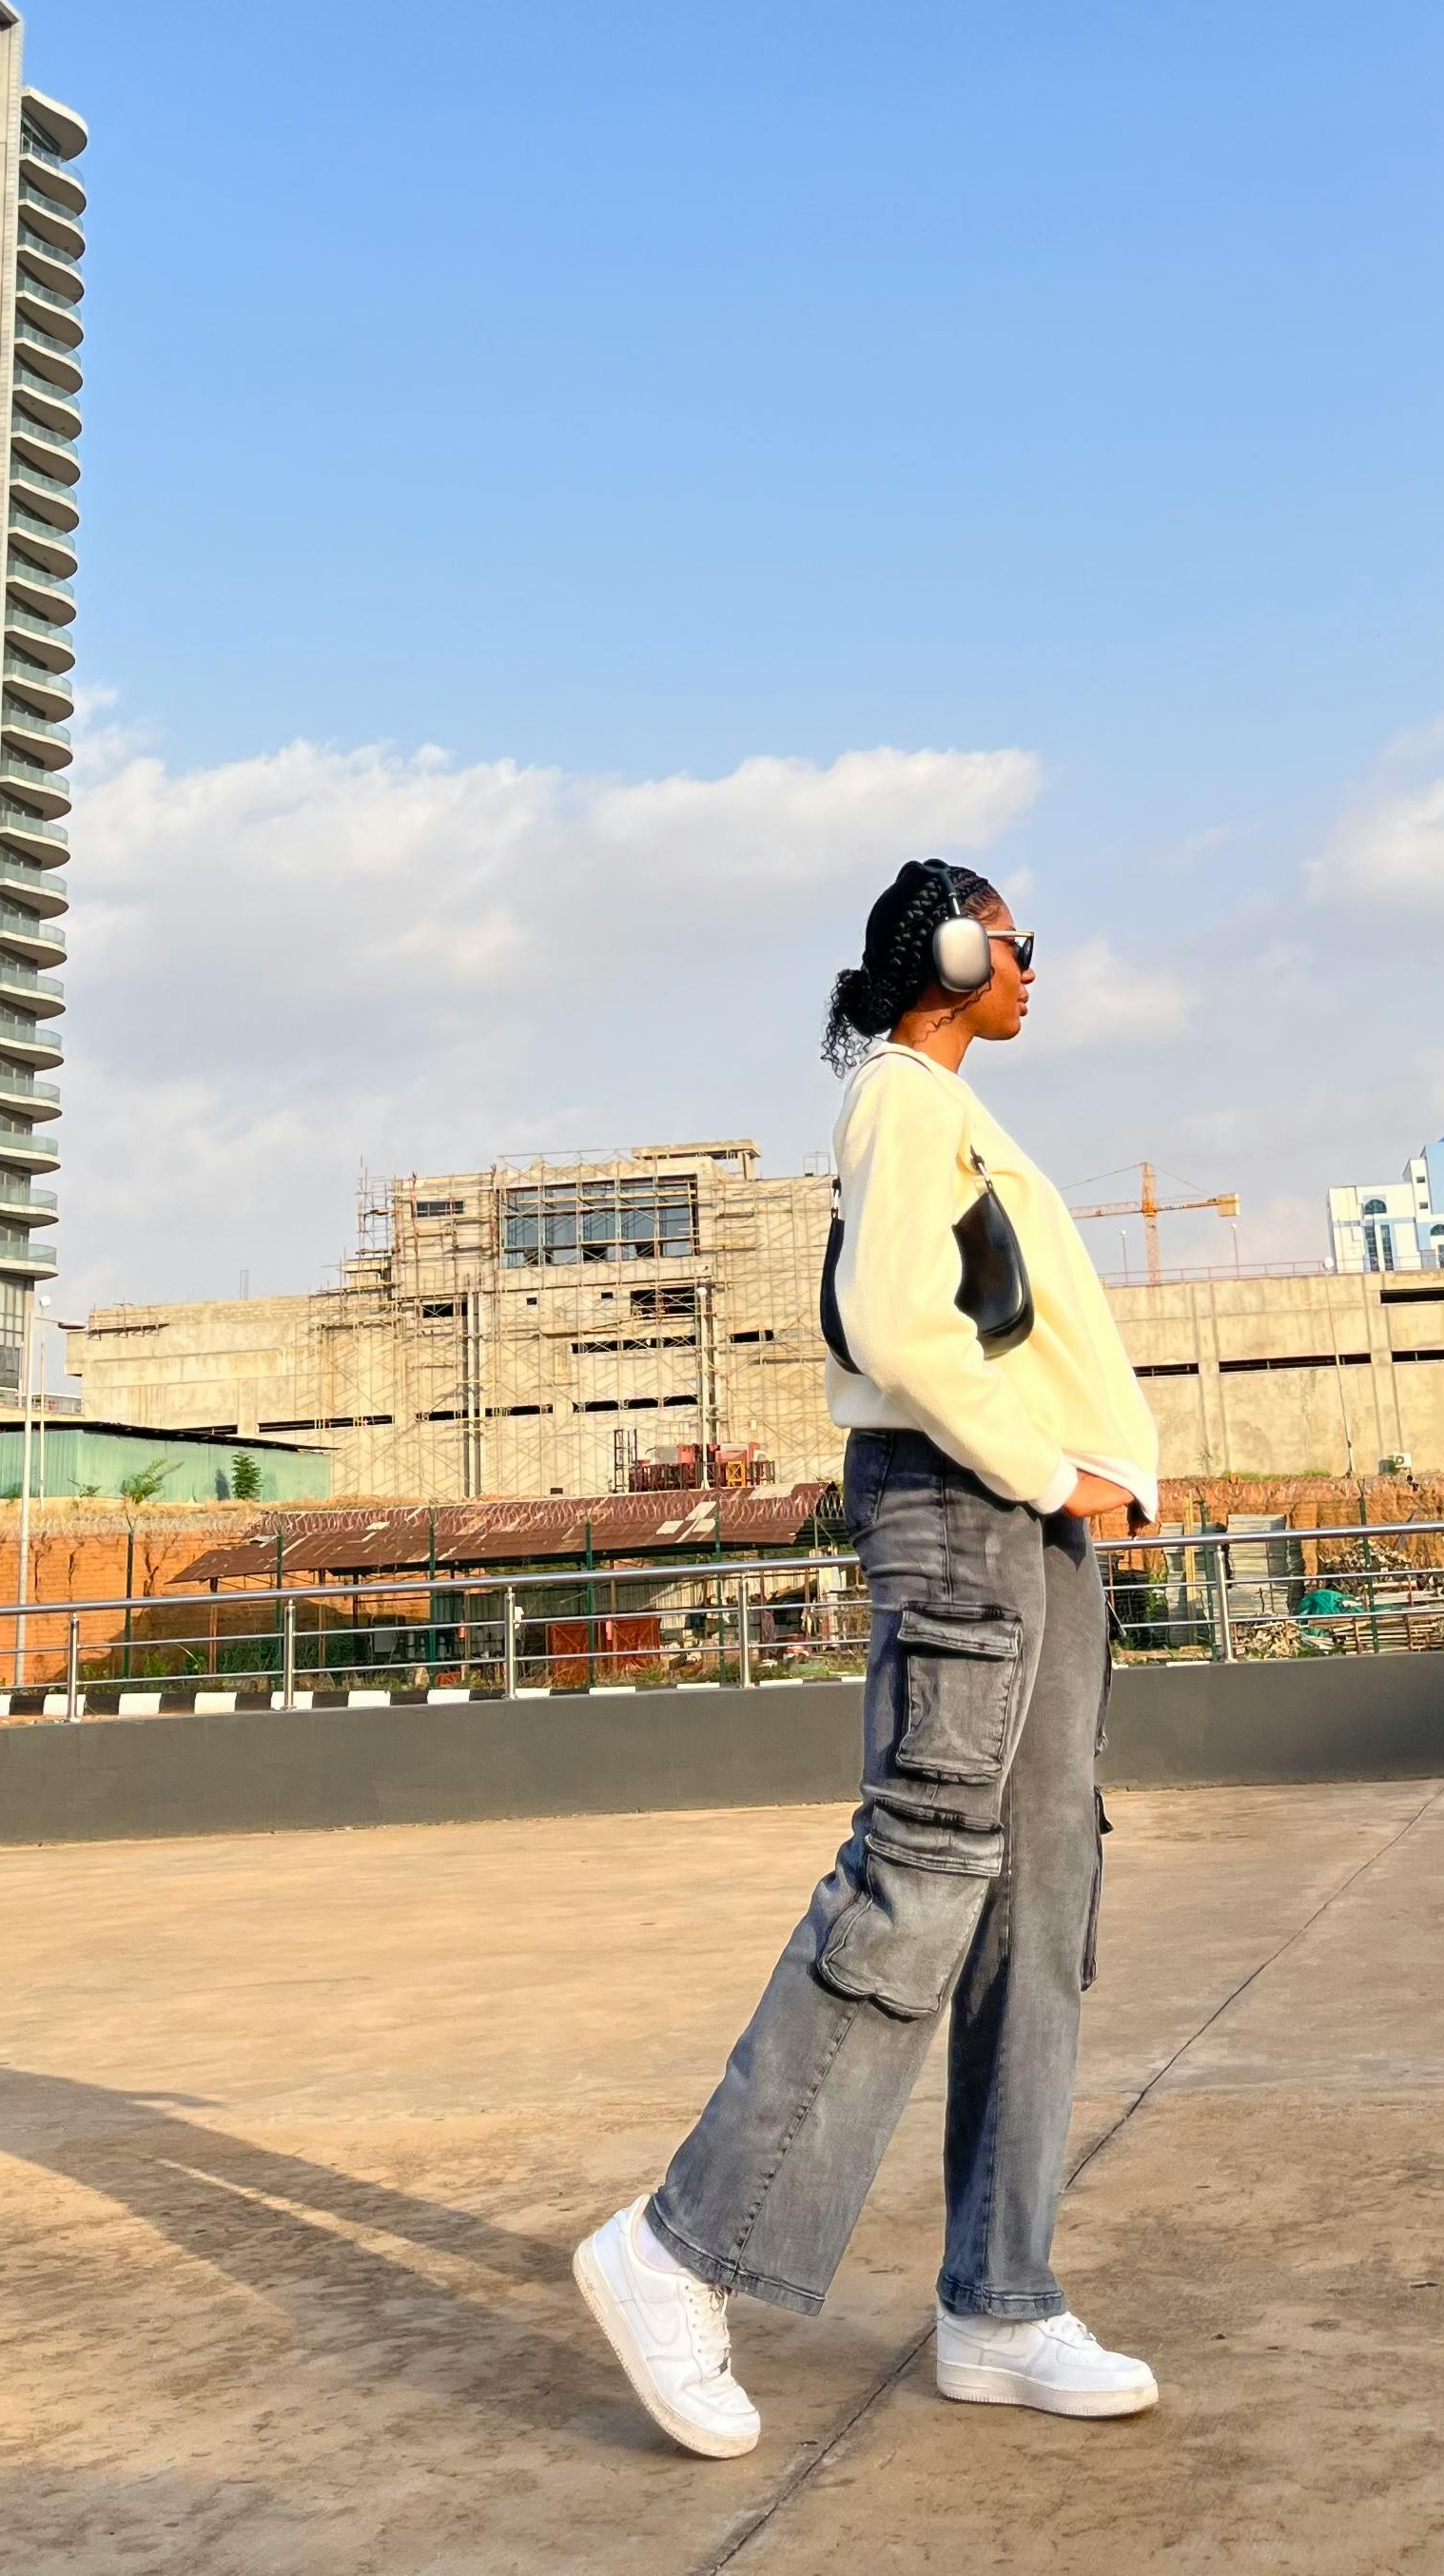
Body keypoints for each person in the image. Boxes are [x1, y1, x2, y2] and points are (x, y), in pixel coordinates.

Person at [574, 856, 1165, 2457]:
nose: (1035, 968)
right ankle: (673, 2252)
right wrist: (1050, 1472)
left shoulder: (953, 1112)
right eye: (1019, 943)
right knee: (918, 1880)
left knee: (1043, 1907)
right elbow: (901, 1328)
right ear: (957, 953)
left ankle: (1000, 2299)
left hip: (1025, 1532)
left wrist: (1076, 1493)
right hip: (972, 1514)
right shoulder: (907, 1101)